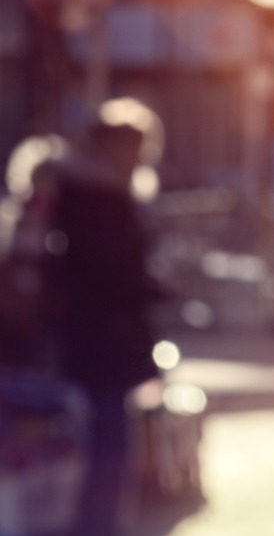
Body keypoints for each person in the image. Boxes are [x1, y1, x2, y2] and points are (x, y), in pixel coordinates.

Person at [43, 103, 166, 535]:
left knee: (106, 430)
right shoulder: (101, 198)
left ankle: (103, 519)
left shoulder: (88, 192)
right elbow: (108, 269)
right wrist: (149, 288)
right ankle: (101, 523)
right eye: (135, 148)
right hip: (103, 334)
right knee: (109, 434)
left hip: (98, 331)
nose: (139, 158)